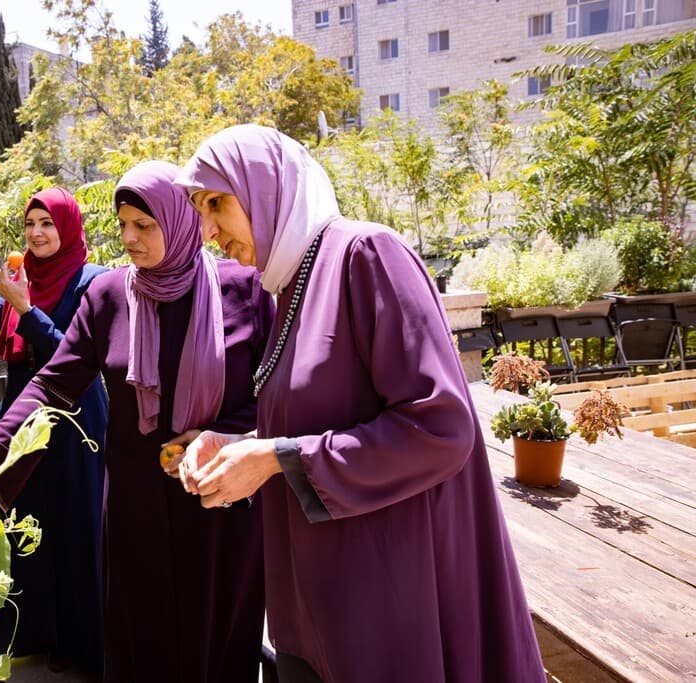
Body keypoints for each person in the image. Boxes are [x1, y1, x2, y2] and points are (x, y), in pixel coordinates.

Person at [173, 125, 546, 683]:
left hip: (385, 604)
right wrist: (239, 448)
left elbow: (440, 426)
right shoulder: (289, 285)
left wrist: (277, 458)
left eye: (218, 203)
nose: (208, 230)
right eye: (200, 210)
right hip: (314, 605)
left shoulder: (366, 255)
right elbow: (317, 423)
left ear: (266, 188)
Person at [0, 160, 273, 683]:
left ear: (180, 221)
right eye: (123, 224)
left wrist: (227, 434)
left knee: (218, 642)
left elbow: (276, 390)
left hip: (223, 500)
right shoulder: (109, 298)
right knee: (140, 641)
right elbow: (52, 385)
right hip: (135, 510)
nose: (128, 238)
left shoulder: (245, 289)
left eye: (143, 226)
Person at [0, 187, 108, 676]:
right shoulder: (16, 283)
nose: (38, 233)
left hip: (77, 424)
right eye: (31, 224)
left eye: (48, 223)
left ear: (69, 227)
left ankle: (84, 647)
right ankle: (33, 636)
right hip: (21, 426)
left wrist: (29, 310)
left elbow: (83, 359)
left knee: (76, 529)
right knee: (26, 528)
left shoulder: (93, 284)